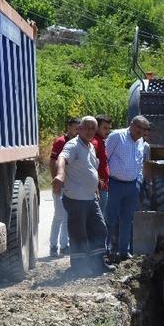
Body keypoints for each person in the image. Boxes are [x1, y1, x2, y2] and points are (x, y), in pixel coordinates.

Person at [52, 116, 113, 275]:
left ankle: (97, 263)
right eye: (86, 128)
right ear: (79, 129)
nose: (90, 131)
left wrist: (95, 187)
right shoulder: (73, 145)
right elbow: (61, 158)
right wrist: (59, 175)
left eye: (93, 128)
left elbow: (90, 169)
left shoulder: (90, 147)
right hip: (75, 198)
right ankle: (79, 267)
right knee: (79, 233)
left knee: (100, 229)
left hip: (90, 198)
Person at [104, 115, 150, 261]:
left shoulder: (141, 141)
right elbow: (104, 158)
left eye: (144, 129)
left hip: (132, 186)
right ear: (131, 125)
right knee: (110, 219)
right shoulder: (117, 136)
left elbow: (140, 162)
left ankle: (124, 251)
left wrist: (139, 180)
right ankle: (106, 250)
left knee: (127, 220)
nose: (141, 131)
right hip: (115, 184)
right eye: (139, 127)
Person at [48, 118, 79, 257]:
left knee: (68, 216)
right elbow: (52, 161)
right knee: (59, 215)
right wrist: (56, 181)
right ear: (69, 127)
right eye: (75, 128)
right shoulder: (61, 141)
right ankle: (53, 246)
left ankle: (64, 245)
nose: (77, 131)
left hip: (72, 186)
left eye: (79, 128)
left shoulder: (79, 143)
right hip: (60, 185)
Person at [92, 115, 112, 216]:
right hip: (98, 187)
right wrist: (98, 180)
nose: (108, 131)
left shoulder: (101, 141)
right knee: (99, 218)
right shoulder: (95, 143)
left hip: (103, 186)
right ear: (96, 127)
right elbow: (90, 164)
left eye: (109, 128)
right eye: (105, 128)